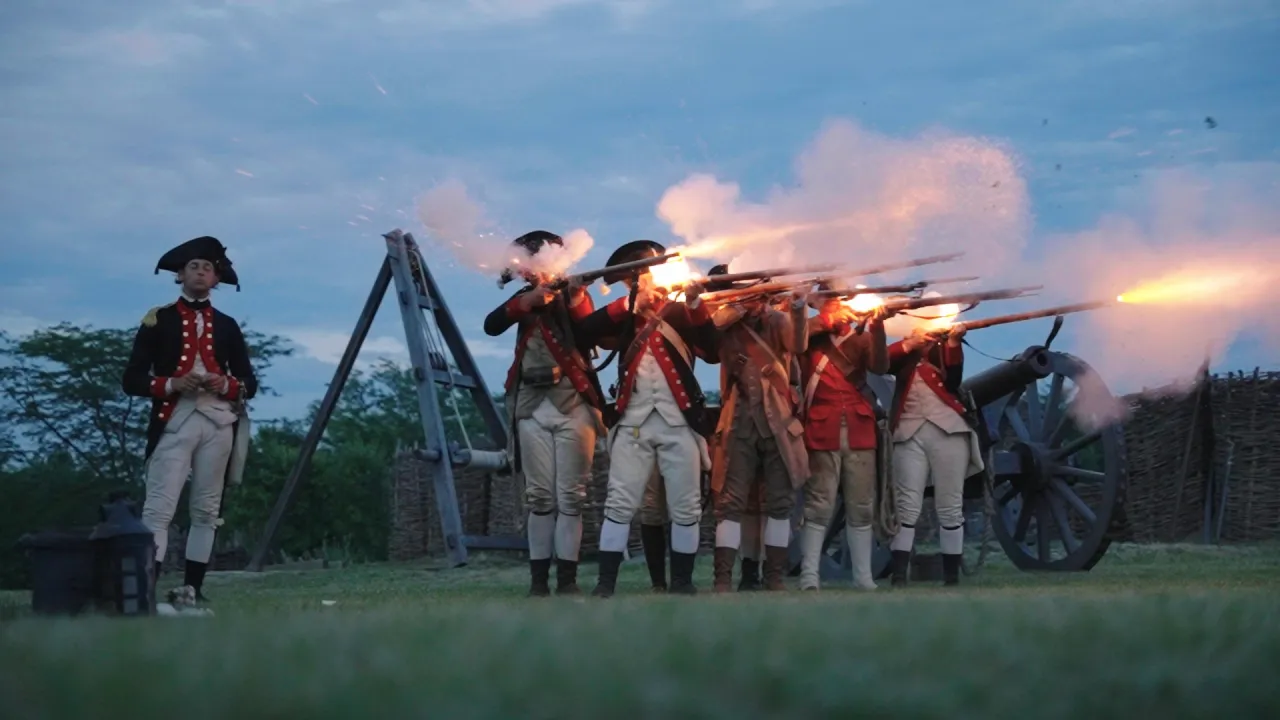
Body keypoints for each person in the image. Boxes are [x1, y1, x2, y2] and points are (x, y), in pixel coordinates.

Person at [576, 239, 717, 598]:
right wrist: (628, 305)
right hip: (634, 421)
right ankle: (605, 584)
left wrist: (697, 302)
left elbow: (713, 351)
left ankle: (682, 582)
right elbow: (582, 332)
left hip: (678, 422)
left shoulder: (680, 311)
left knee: (686, 506)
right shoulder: (623, 315)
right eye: (629, 280)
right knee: (620, 503)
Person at [120, 236, 256, 606]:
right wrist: (172, 384)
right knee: (159, 509)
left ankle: (193, 591)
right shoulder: (157, 320)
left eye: (207, 268)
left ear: (216, 280)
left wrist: (225, 383)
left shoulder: (227, 326)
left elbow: (250, 383)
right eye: (193, 266)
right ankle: (146, 591)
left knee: (207, 511)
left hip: (218, 422)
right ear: (179, 275)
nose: (200, 272)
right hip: (175, 418)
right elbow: (131, 379)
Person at [483, 230, 605, 597]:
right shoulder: (526, 298)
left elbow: (588, 332)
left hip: (573, 404)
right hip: (530, 405)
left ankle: (566, 581)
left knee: (572, 497)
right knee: (539, 498)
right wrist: (527, 302)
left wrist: (578, 295)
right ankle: (539, 583)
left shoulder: (570, 295)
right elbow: (492, 325)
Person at [707, 288, 810, 592]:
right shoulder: (725, 320)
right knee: (729, 503)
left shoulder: (778, 320)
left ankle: (774, 577)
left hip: (779, 423)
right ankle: (722, 579)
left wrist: (800, 307)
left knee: (780, 503)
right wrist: (734, 308)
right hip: (737, 423)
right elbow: (707, 337)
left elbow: (798, 343)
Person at [796, 290, 889, 591]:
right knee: (818, 504)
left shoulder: (859, 334)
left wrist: (877, 327)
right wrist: (827, 319)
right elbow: (796, 339)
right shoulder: (809, 329)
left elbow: (879, 366)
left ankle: (863, 577)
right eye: (829, 298)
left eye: (839, 298)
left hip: (860, 428)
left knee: (862, 506)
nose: (836, 302)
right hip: (823, 427)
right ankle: (809, 574)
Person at [885, 324, 984, 587]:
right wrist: (910, 344)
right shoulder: (904, 353)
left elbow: (953, 380)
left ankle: (951, 578)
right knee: (907, 507)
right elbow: (881, 363)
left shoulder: (944, 350)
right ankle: (898, 577)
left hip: (949, 430)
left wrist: (952, 342)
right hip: (908, 432)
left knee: (950, 506)